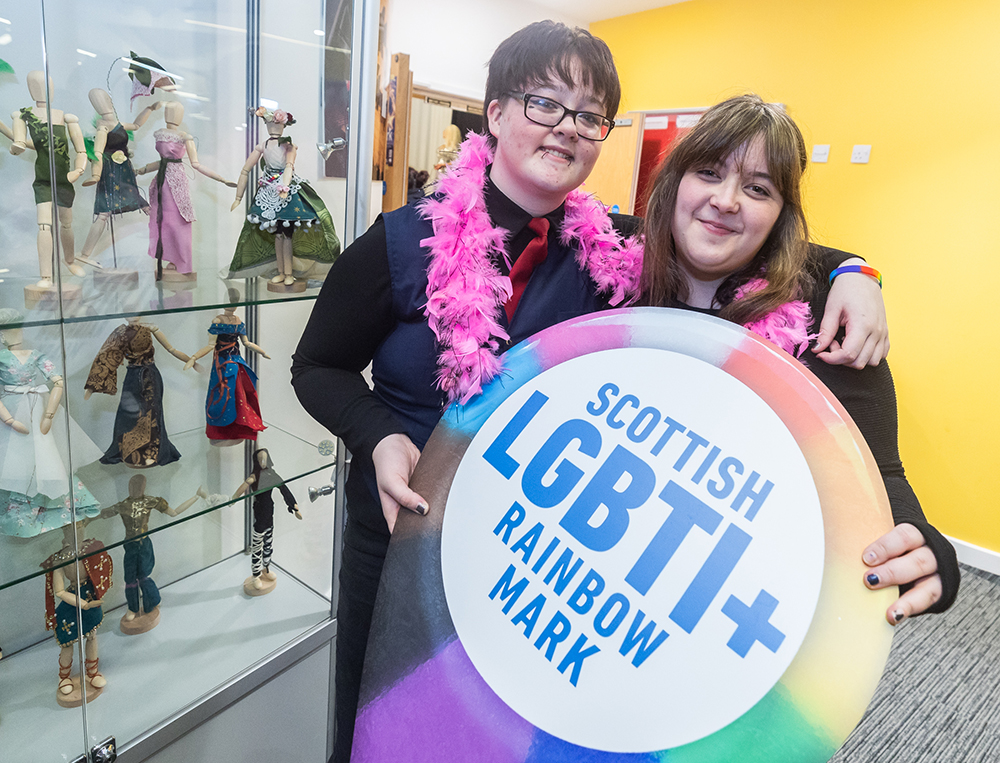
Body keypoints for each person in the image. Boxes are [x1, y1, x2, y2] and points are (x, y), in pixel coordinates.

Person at [291, 22, 890, 762]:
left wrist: (857, 273)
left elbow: (732, 228)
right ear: (497, 111)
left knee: (491, 732)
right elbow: (316, 367)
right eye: (545, 102)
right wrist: (378, 433)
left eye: (589, 114)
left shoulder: (610, 252)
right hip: (396, 538)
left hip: (528, 557)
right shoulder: (397, 242)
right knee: (379, 718)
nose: (567, 127)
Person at [639, 93, 959, 621]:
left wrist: (919, 546)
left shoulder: (824, 320)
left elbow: (878, 473)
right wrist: (857, 267)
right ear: (675, 181)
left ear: (780, 215)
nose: (726, 200)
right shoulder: (612, 263)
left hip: (715, 596)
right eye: (709, 172)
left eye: (758, 188)